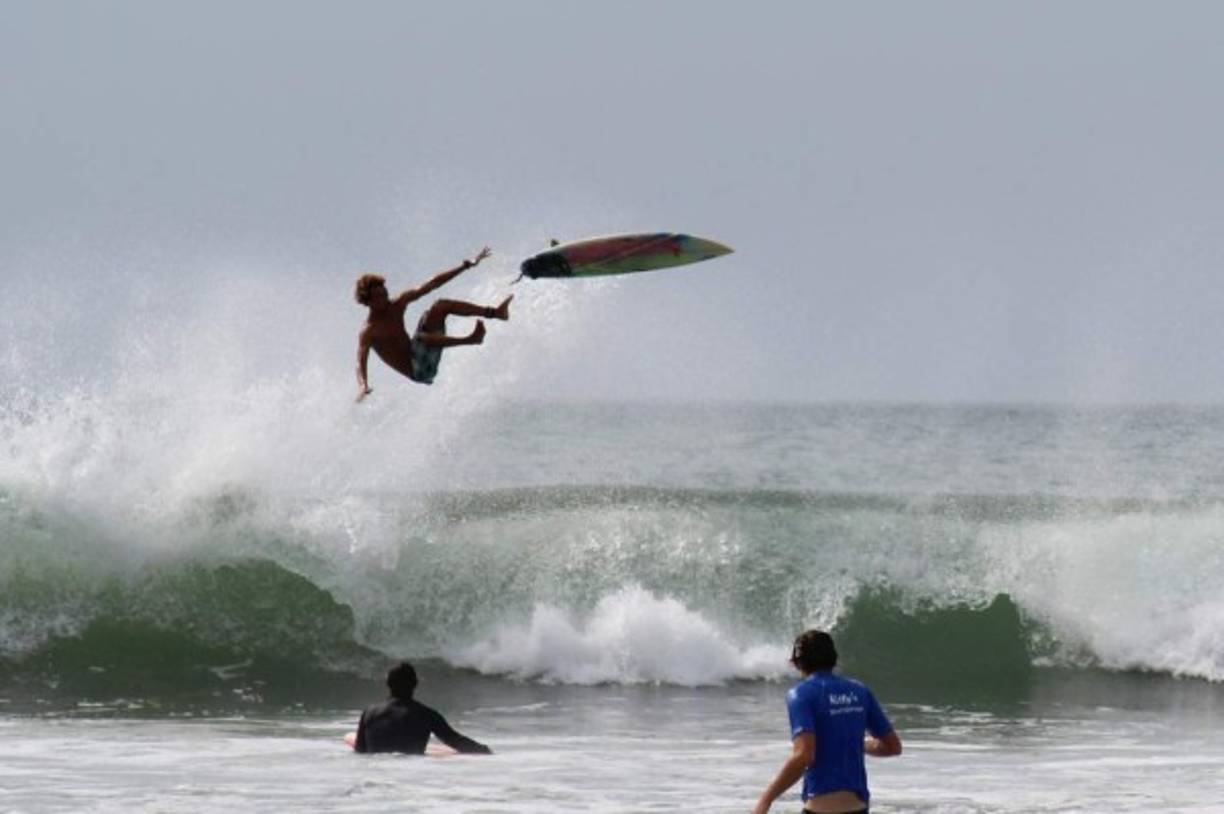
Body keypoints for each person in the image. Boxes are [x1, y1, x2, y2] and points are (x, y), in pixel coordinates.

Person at [753, 630, 901, 814]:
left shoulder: (801, 694)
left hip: (821, 809)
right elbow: (893, 747)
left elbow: (804, 755)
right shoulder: (860, 691)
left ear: (797, 662)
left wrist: (765, 800)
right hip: (859, 808)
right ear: (834, 658)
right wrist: (856, 743)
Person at [354, 246, 511, 399]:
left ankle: (495, 312)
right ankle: (471, 339)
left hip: (420, 352)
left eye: (385, 293)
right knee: (422, 337)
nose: (385, 299)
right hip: (419, 371)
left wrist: (466, 265)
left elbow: (432, 284)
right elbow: (360, 359)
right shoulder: (369, 331)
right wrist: (363, 385)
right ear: (367, 301)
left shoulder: (397, 304)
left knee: (441, 306)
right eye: (379, 297)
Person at [354, 661, 493, 755]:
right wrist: (484, 750)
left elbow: (360, 751)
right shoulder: (426, 715)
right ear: (415, 684)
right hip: (413, 776)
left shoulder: (369, 713)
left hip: (377, 774)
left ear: (388, 684)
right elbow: (455, 741)